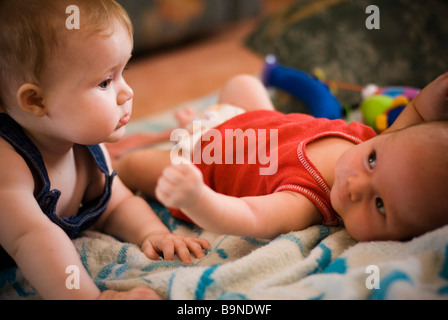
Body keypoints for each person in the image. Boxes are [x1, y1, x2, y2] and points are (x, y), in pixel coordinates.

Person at [0, 0, 209, 300]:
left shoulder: (88, 148)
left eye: (124, 72)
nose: (127, 92)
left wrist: (153, 233)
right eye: (105, 82)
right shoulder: (9, 164)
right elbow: (34, 240)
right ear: (36, 101)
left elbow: (116, 204)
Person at [114, 72, 448, 243]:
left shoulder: (306, 200)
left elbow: (249, 216)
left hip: (201, 159)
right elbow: (418, 110)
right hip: (246, 117)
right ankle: (196, 119)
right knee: (243, 81)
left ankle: (118, 160)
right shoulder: (380, 142)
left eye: (379, 205)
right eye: (372, 163)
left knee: (132, 166)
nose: (357, 185)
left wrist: (197, 197)